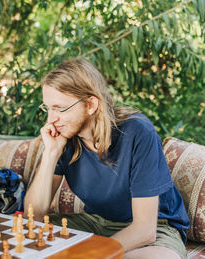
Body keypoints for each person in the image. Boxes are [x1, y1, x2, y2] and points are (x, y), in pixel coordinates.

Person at [24, 58, 189, 259]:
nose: (51, 119)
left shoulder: (137, 132)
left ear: (91, 104)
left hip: (157, 228)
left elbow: (145, 229)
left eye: (60, 108)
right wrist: (51, 153)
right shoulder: (64, 138)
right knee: (27, 237)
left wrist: (94, 254)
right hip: (95, 223)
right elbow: (33, 217)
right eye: (48, 108)